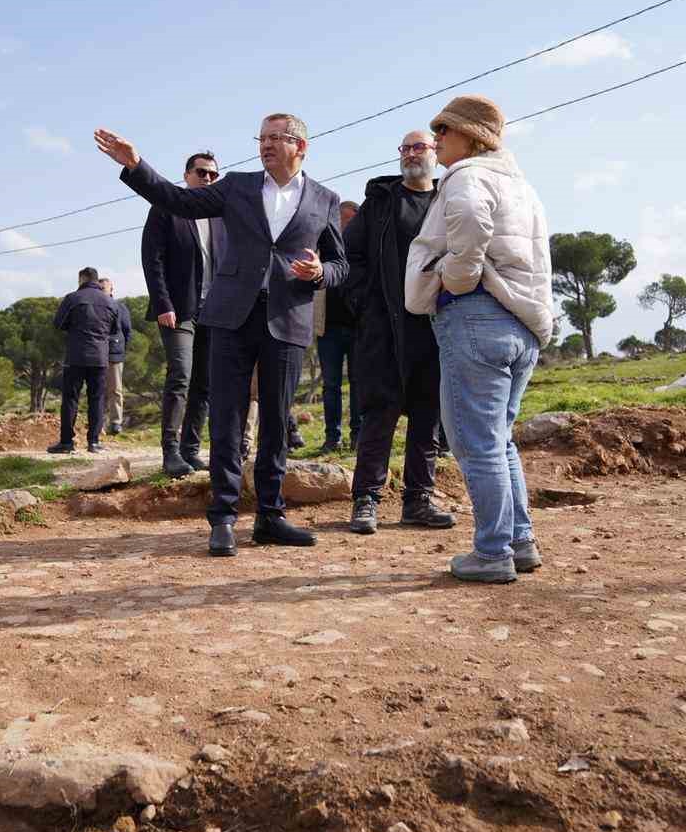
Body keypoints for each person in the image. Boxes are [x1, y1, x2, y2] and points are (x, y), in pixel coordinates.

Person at [95, 115, 349, 557]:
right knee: (227, 419)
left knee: (275, 421)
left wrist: (320, 272)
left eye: (276, 138)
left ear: (301, 146)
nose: (266, 145)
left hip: (288, 319)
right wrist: (136, 164)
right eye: (262, 138)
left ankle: (271, 516)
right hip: (230, 316)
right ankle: (224, 517)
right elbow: (177, 200)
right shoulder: (236, 186)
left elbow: (342, 265)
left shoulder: (326, 200)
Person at [405, 96, 554, 584]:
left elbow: (469, 223)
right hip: (521, 324)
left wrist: (456, 277)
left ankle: (492, 553)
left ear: (471, 135)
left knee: (476, 443)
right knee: (499, 439)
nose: (436, 138)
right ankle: (519, 540)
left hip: (475, 318)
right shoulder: (523, 187)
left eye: (444, 130)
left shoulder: (468, 177)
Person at [340, 130, 456, 535]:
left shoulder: (448, 199)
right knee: (379, 416)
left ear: (434, 153)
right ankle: (366, 501)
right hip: (384, 328)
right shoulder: (380, 203)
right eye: (404, 148)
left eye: (418, 147)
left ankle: (418, 501)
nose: (410, 154)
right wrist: (365, 303)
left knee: (428, 417)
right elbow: (349, 255)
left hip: (434, 326)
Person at [140, 151, 223, 477]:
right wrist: (163, 304)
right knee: (181, 376)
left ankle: (191, 450)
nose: (207, 179)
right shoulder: (166, 208)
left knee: (205, 383)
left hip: (214, 311)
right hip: (179, 310)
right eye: (201, 173)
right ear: (187, 174)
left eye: (213, 175)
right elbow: (152, 258)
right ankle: (170, 452)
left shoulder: (219, 215)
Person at [48, 266, 118, 454]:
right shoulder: (110, 302)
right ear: (96, 280)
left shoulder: (72, 298)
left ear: (82, 279)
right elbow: (114, 329)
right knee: (97, 399)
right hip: (100, 357)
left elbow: (58, 324)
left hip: (76, 356)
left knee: (70, 399)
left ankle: (66, 442)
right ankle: (93, 442)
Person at [313, 200, 361, 454]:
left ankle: (358, 436)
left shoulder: (363, 252)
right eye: (341, 219)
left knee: (358, 383)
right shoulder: (322, 249)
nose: (345, 225)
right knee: (330, 385)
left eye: (350, 220)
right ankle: (332, 437)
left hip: (358, 330)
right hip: (328, 330)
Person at [100, 278, 134, 435]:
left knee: (115, 390)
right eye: (99, 287)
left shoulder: (120, 307)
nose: (101, 290)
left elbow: (127, 331)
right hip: (97, 353)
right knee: (97, 391)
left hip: (114, 353)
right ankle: (98, 423)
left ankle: (115, 423)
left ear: (111, 289)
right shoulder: (95, 307)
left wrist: (120, 349)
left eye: (104, 287)